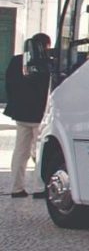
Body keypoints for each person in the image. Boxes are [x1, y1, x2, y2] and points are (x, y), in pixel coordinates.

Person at [4, 33, 52, 199]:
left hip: (21, 114)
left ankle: (16, 188)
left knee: (20, 151)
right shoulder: (46, 63)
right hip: (39, 115)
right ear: (46, 46)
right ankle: (39, 188)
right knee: (39, 152)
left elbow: (9, 85)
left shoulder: (16, 61)